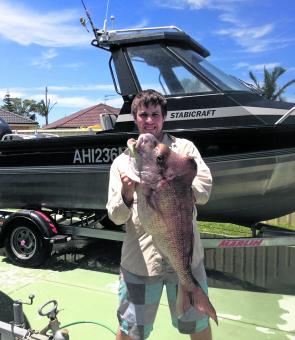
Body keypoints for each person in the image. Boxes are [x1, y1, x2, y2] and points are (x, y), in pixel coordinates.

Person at [107, 89, 215, 340]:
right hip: (140, 262)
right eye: (143, 114)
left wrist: (173, 182)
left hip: (185, 257)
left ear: (163, 117)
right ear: (135, 117)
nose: (149, 120)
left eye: (155, 114)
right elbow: (115, 216)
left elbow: (205, 190)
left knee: (198, 325)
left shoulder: (184, 149)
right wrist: (126, 192)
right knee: (131, 330)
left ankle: (193, 296)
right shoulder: (121, 163)